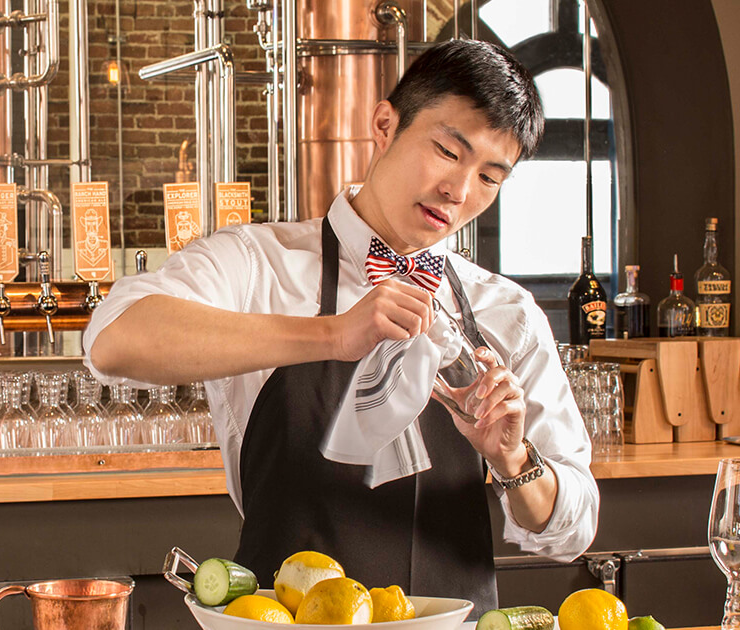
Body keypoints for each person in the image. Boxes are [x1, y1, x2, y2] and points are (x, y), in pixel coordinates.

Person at [84, 39, 598, 613]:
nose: (459, 191)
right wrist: (333, 335)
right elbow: (115, 338)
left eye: (490, 177)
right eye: (449, 151)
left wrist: (514, 462)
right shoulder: (259, 263)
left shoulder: (507, 313)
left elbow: (572, 530)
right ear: (384, 124)